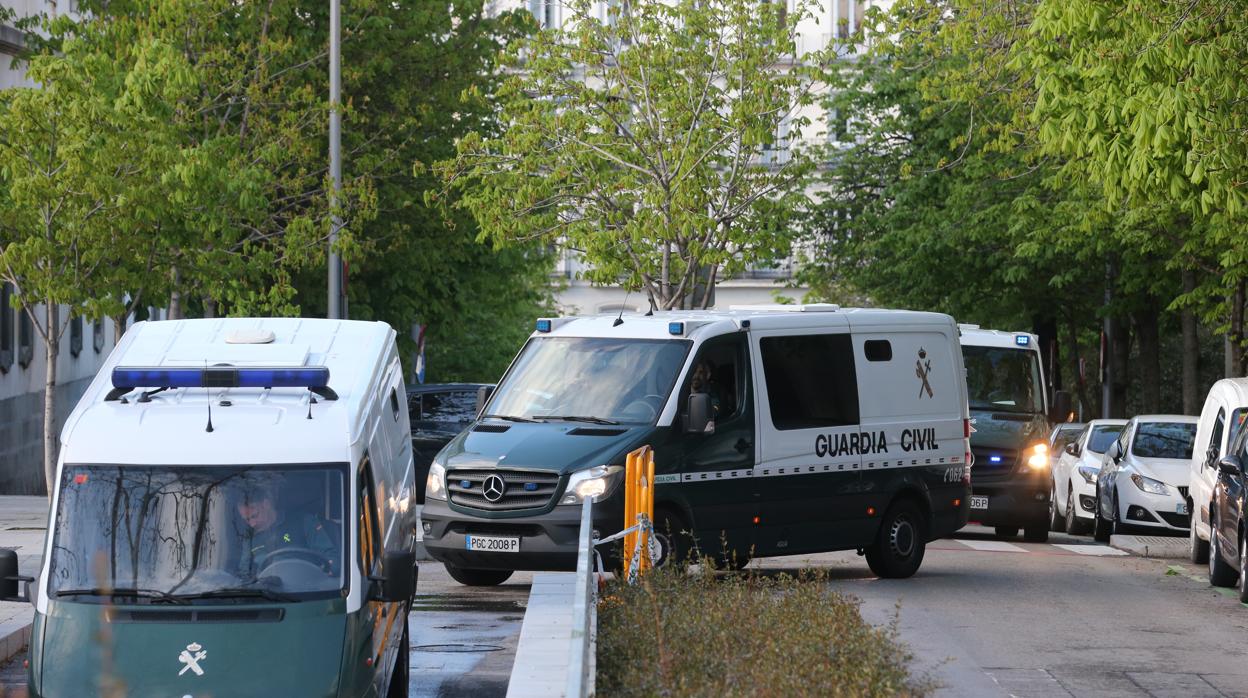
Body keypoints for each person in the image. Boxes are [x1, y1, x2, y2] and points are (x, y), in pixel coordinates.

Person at [236, 486, 337, 578]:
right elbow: (244, 573)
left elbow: (331, 558)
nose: (252, 524)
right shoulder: (249, 538)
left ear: (266, 504)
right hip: (265, 594)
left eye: (254, 516)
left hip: (306, 589)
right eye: (247, 519)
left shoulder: (303, 522)